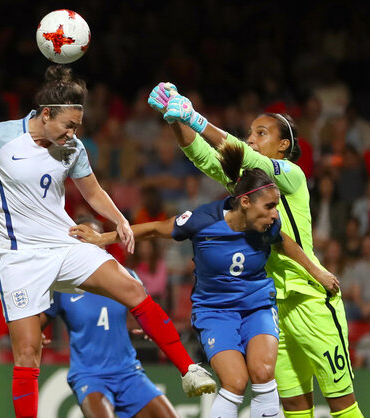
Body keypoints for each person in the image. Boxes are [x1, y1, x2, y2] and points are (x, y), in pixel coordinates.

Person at [0, 66, 216, 418]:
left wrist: (119, 220)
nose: (73, 133)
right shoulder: (0, 137)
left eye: (77, 127)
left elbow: (93, 191)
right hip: (19, 259)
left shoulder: (72, 147)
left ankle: (188, 369)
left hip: (64, 243)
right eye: (68, 125)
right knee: (27, 354)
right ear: (46, 114)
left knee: (132, 289)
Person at [73, 143, 339, 417]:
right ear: (245, 203)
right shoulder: (203, 220)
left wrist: (317, 271)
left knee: (263, 372)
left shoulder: (269, 225)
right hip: (215, 312)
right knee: (235, 382)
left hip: (257, 306)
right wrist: (102, 238)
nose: (275, 213)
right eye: (270, 206)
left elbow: (285, 244)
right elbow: (154, 229)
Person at [149, 83, 364, 418]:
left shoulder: (291, 175)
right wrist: (175, 120)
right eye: (249, 132)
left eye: (261, 133)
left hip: (310, 298)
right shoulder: (248, 187)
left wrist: (194, 117)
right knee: (293, 404)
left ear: (283, 145)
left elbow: (243, 155)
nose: (251, 138)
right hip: (269, 304)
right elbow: (205, 158)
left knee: (340, 401)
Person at [40, 218, 177, 418]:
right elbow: (36, 323)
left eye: (95, 239)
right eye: (82, 240)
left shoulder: (125, 276)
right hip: (90, 376)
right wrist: (36, 334)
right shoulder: (62, 286)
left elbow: (149, 312)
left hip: (128, 373)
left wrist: (150, 327)